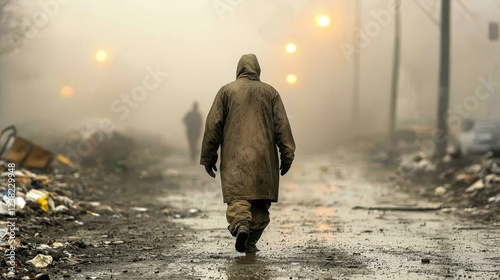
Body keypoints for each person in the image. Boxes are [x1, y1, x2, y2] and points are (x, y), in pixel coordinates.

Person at [200, 54, 296, 253]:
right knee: (260, 204)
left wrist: (208, 157)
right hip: (264, 159)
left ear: (239, 69)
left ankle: (241, 225)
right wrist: (287, 154)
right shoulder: (271, 93)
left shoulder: (226, 91)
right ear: (258, 70)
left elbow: (213, 126)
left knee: (238, 199)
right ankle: (250, 241)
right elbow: (282, 126)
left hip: (235, 158)